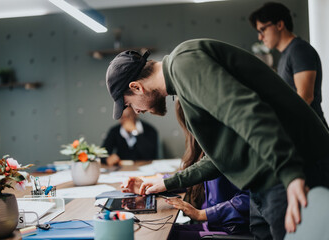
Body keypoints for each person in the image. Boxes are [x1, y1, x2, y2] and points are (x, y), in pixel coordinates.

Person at [105, 39, 329, 240]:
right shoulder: (183, 82)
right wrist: (167, 183)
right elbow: (220, 156)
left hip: (293, 166)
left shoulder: (184, 63)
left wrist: (290, 173)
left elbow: (246, 112)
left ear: (136, 86)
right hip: (269, 175)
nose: (137, 111)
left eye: (129, 104)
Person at [122, 100, 250, 239]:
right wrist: (153, 183)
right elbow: (192, 176)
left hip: (230, 230)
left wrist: (202, 214)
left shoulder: (231, 145)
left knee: (159, 236)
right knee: (161, 232)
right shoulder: (207, 146)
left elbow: (250, 200)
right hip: (214, 225)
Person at [249, 2, 328, 127]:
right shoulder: (285, 56)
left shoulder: (299, 50)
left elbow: (305, 97)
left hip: (312, 134)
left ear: (279, 25)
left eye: (262, 30)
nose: (260, 37)